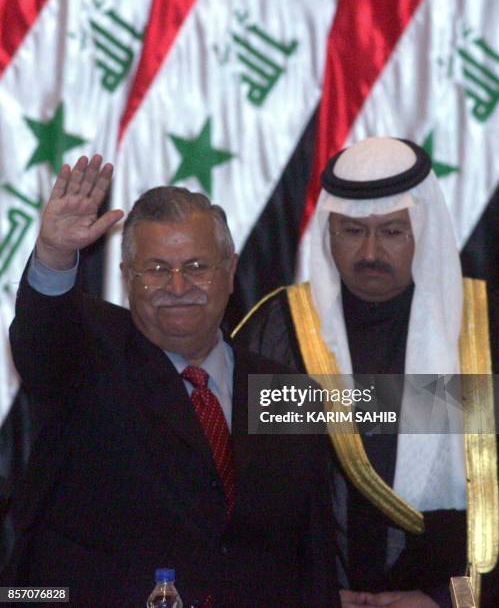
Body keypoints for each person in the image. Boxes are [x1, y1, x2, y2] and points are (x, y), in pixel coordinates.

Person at [5, 156, 339, 606]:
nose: (178, 286)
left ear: (230, 270)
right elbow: (42, 339)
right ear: (127, 278)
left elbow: (311, 558)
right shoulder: (90, 354)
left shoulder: (289, 393)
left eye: (198, 266)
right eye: (157, 269)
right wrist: (54, 254)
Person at [234, 137, 498, 607]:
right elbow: (250, 493)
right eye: (352, 231)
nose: (371, 251)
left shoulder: (486, 327)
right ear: (327, 232)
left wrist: (446, 598)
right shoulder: (279, 333)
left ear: (424, 230)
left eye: (392, 232)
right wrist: (314, 596)